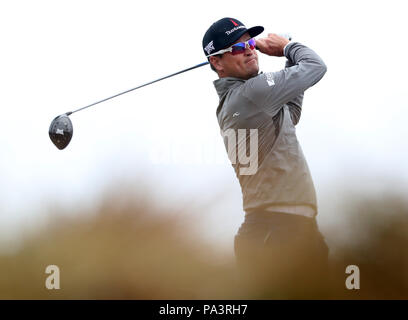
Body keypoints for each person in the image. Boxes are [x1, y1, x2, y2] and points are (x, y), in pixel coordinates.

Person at [202, 18, 330, 298]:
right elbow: (315, 67)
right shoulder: (253, 95)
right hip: (276, 230)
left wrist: (287, 57)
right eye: (237, 47)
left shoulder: (246, 98)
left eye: (250, 43)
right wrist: (288, 47)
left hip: (284, 228)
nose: (250, 50)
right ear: (217, 62)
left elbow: (290, 115)